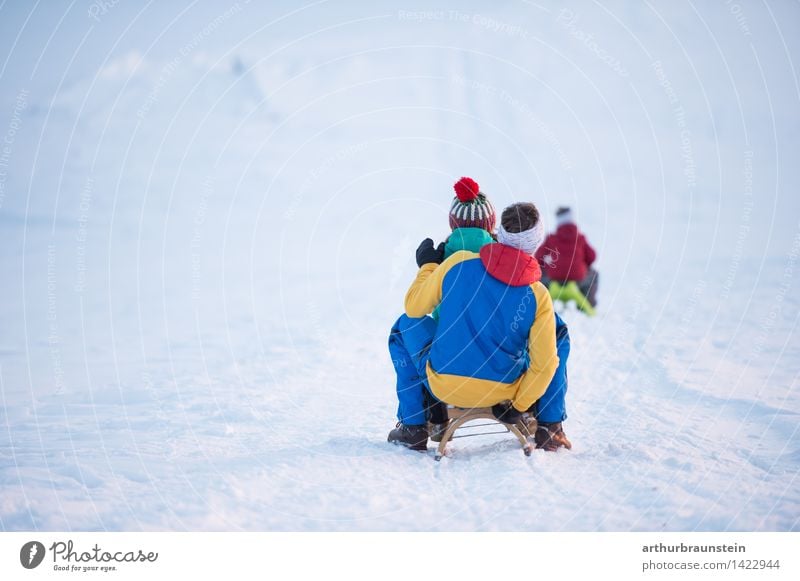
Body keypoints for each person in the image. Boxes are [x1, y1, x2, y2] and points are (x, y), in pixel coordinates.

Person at [387, 201, 572, 453]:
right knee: (556, 332)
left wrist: (428, 267)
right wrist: (517, 406)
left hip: (443, 383)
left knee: (404, 326)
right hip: (504, 389)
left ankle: (414, 426)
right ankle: (550, 427)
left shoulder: (458, 264)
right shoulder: (537, 294)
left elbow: (414, 308)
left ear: (499, 233)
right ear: (536, 242)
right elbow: (545, 364)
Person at [535, 206, 599, 310]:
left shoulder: (552, 238)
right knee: (594, 274)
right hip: (578, 280)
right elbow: (592, 257)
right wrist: (582, 265)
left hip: (553, 279)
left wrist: (548, 266)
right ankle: (587, 303)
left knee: (539, 273)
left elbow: (538, 257)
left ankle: (540, 302)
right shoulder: (580, 238)